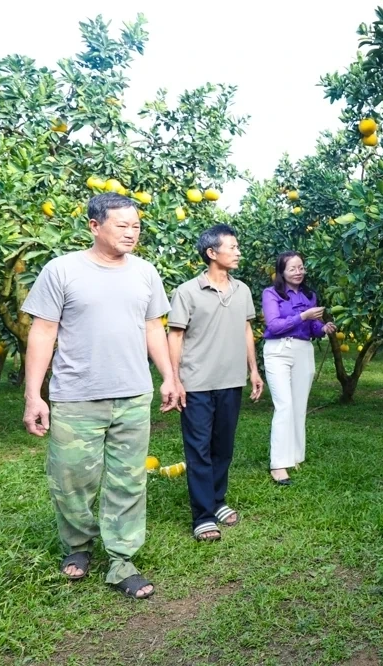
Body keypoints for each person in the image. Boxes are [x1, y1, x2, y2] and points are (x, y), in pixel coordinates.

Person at [20, 192, 181, 600]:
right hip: (76, 396)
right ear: (94, 226)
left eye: (136, 226)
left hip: (132, 394)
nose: (132, 232)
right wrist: (33, 396)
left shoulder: (145, 272)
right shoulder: (62, 270)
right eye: (122, 225)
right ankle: (77, 545)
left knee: (129, 480)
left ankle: (122, 559)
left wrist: (169, 377)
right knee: (71, 479)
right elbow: (43, 332)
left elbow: (153, 329)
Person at [166, 224, 264, 542]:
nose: (238, 252)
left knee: (223, 446)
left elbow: (247, 331)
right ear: (212, 253)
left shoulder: (243, 291)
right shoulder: (187, 292)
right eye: (232, 247)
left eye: (237, 247)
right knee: (198, 450)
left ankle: (218, 499)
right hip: (196, 382)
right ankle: (203, 515)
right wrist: (175, 378)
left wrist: (253, 370)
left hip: (231, 380)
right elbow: (176, 335)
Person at [261, 251, 335, 486]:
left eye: (301, 267)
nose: (298, 272)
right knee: (284, 405)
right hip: (278, 351)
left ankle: (294, 456)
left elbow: (311, 328)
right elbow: (274, 325)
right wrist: (303, 316)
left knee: (299, 406)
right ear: (282, 271)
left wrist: (322, 328)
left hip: (303, 350)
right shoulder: (271, 294)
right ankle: (278, 464)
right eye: (292, 268)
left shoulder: (309, 295)